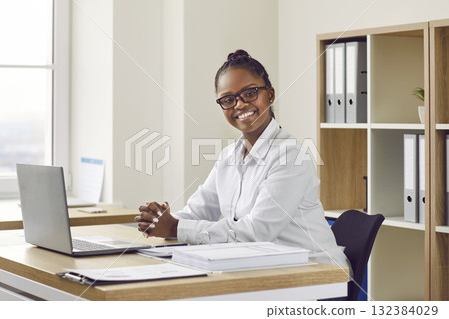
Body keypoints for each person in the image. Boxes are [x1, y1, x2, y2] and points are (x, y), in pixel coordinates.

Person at [135, 49, 351, 269]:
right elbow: (199, 211)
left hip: (315, 271)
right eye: (228, 99)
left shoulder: (290, 156)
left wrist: (174, 228)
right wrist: (159, 220)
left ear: (270, 94)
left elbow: (258, 232)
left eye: (250, 93)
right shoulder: (229, 156)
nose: (239, 104)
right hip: (260, 267)